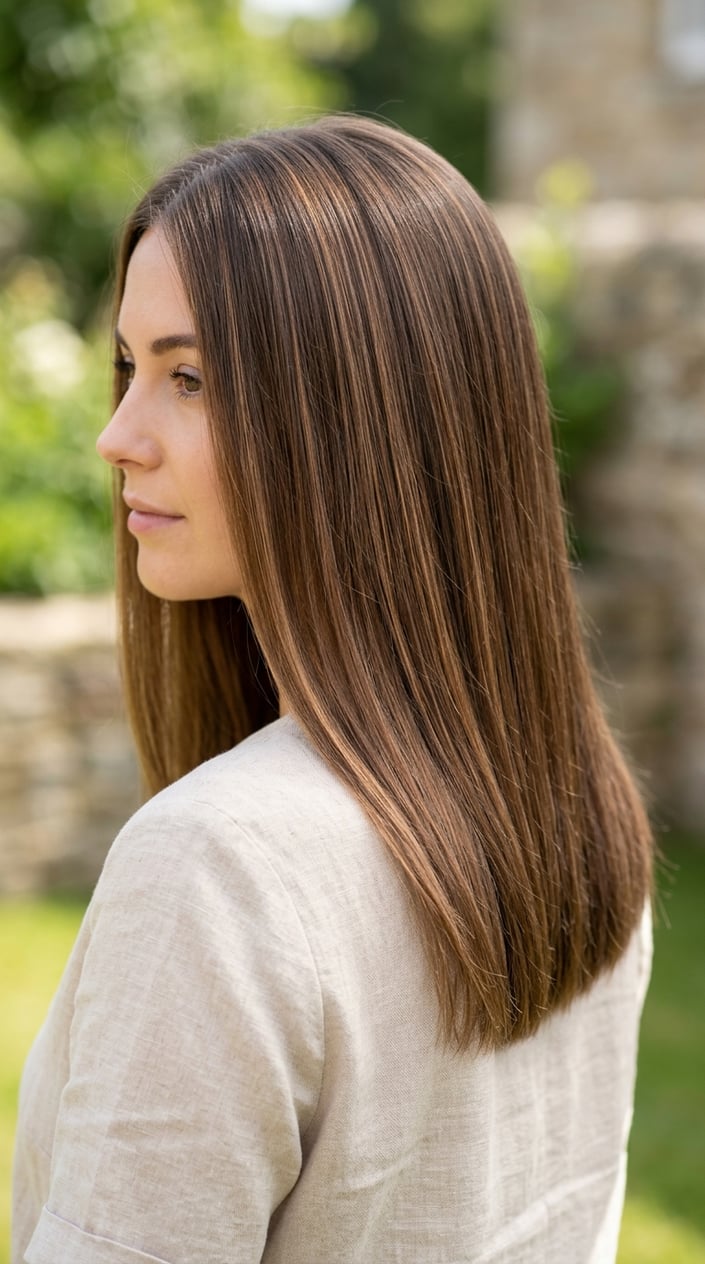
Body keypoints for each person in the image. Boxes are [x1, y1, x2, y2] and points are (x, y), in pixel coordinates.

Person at [12, 115, 653, 1264]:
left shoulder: (220, 867)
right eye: (131, 366)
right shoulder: (582, 806)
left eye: (190, 376)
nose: (118, 436)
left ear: (357, 417)